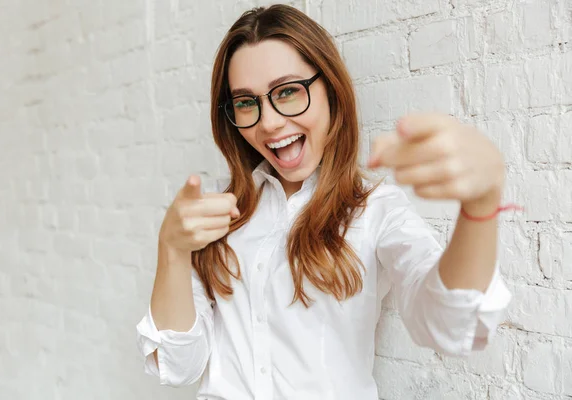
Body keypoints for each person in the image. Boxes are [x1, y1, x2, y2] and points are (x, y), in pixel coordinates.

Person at [136, 4, 516, 399]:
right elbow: (178, 366)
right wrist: (172, 249)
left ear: (331, 91)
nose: (268, 122)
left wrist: (481, 205)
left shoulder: (375, 212)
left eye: (287, 92)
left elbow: (452, 326)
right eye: (247, 102)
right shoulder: (217, 210)